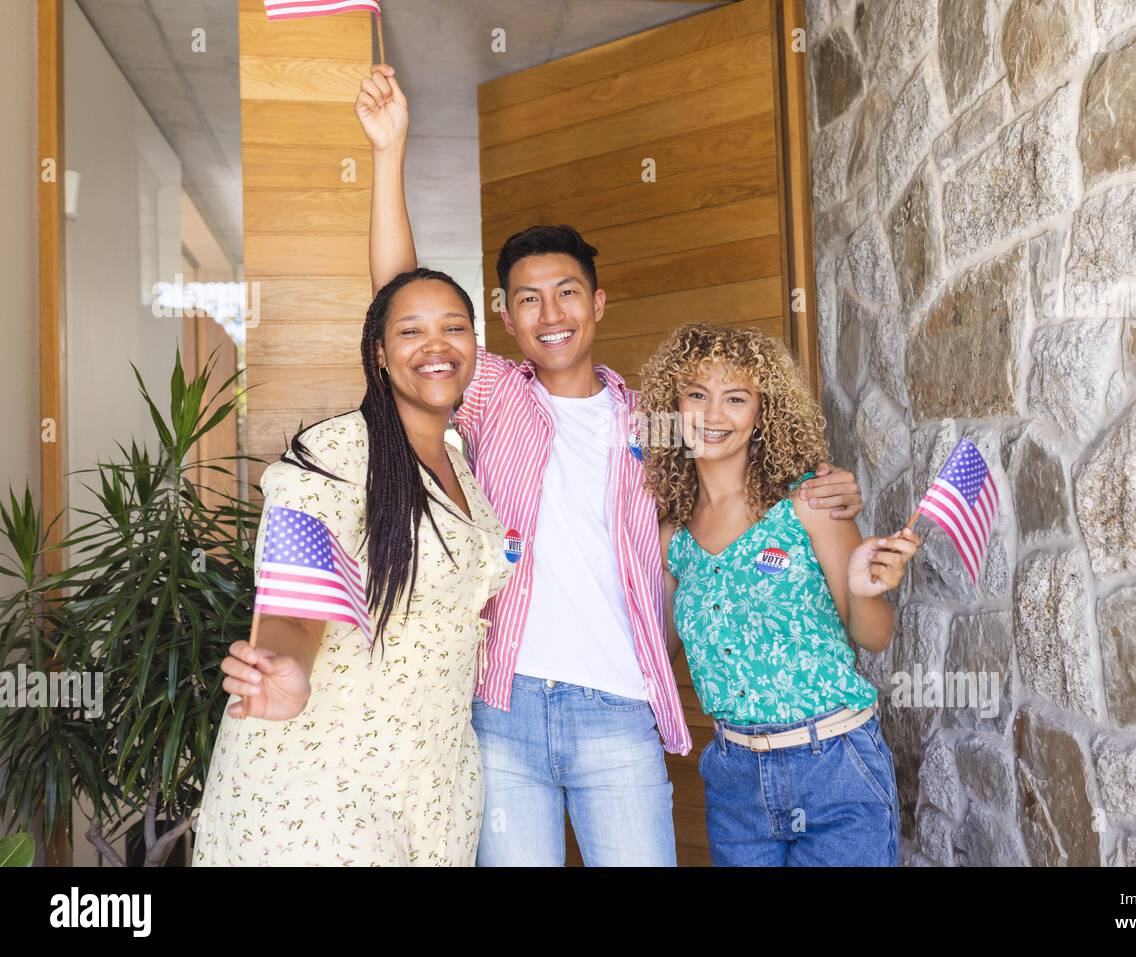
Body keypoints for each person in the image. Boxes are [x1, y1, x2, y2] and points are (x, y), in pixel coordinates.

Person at [357, 65, 866, 866]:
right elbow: (401, 305)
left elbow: (744, 474)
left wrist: (827, 488)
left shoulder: (657, 422)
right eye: (527, 298)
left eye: (566, 293)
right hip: (505, 707)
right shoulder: (492, 394)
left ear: (598, 304)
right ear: (505, 316)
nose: (549, 313)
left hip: (619, 710)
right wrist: (389, 153)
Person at [193, 269, 512, 866]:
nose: (436, 345)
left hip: (436, 777)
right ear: (381, 355)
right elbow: (294, 601)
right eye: (411, 330)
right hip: (324, 781)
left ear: (475, 344)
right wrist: (284, 664)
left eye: (454, 327)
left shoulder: (462, 463)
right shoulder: (334, 452)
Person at [641, 323, 920, 866]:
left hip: (836, 765)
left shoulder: (810, 504)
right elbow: (656, 654)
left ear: (763, 414)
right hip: (735, 778)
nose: (713, 414)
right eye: (696, 394)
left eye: (736, 398)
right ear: (673, 407)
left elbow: (875, 636)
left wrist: (863, 589)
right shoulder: (671, 538)